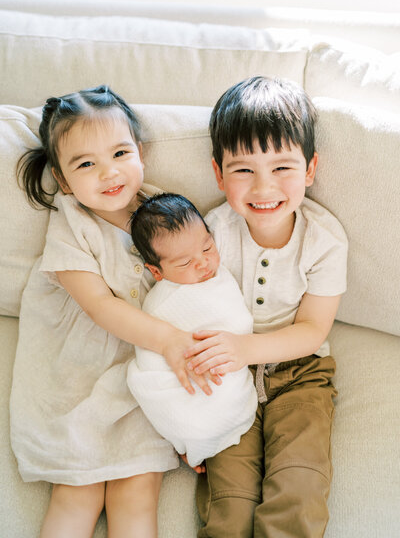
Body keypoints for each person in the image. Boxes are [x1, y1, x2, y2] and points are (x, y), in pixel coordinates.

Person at [9, 85, 217, 538]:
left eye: (120, 153)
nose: (109, 172)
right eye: (86, 164)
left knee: (136, 492)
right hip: (80, 373)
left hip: (143, 373)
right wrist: (169, 340)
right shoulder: (71, 225)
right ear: (64, 180)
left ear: (141, 152)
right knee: (76, 493)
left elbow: (199, 291)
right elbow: (100, 305)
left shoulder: (167, 211)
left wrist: (193, 426)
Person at [185, 76, 348, 537]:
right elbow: (186, 312)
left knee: (299, 486)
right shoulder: (209, 234)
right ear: (218, 174)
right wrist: (186, 424)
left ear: (310, 169)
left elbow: (313, 329)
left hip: (301, 374)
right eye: (243, 170)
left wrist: (246, 349)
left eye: (282, 168)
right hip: (226, 378)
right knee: (230, 505)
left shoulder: (325, 241)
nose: (263, 187)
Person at [127, 192, 258, 468]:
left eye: (207, 247)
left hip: (229, 380)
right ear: (157, 272)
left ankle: (201, 440)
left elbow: (238, 324)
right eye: (185, 263)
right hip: (179, 387)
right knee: (187, 414)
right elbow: (150, 357)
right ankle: (193, 441)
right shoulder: (161, 304)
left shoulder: (219, 276)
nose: (202, 263)